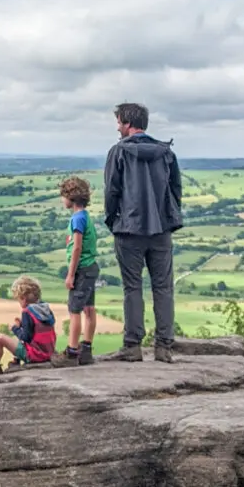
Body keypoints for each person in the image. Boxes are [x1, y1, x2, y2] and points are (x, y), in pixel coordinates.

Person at [104, 102, 182, 363]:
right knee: (163, 288)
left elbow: (112, 192)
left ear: (127, 123)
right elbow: (176, 190)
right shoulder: (166, 153)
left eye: (118, 122)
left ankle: (133, 346)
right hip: (161, 230)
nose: (117, 127)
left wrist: (113, 220)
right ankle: (163, 347)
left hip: (128, 230)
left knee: (132, 288)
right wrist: (167, 218)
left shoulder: (118, 152)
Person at [51, 176, 100, 368]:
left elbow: (77, 247)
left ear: (70, 197)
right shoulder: (85, 215)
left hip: (81, 270)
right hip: (91, 268)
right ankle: (86, 350)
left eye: (63, 195)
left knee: (74, 311)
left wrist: (71, 274)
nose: (62, 200)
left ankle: (71, 353)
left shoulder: (77, 218)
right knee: (89, 309)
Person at [0, 275, 56, 376]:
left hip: (35, 355)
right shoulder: (45, 308)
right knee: (21, 331)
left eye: (18, 299)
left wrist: (15, 328)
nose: (18, 302)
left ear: (23, 298)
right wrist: (22, 325)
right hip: (48, 352)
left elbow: (26, 337)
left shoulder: (27, 312)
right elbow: (36, 330)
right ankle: (16, 362)